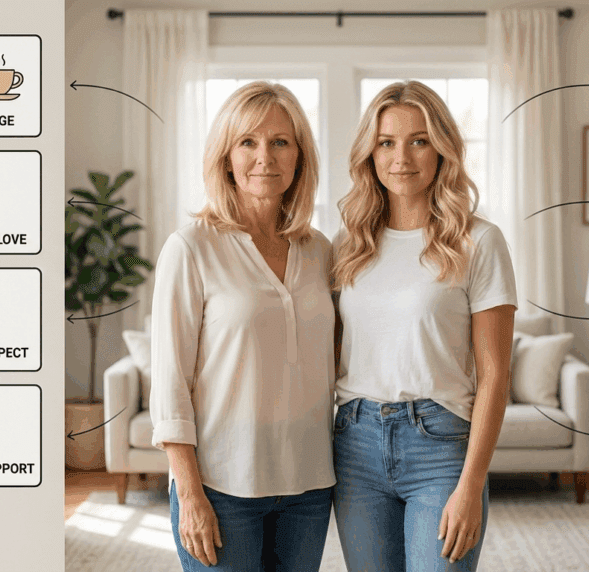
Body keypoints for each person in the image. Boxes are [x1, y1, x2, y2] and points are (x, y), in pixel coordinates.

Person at [331, 81, 517, 571]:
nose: (401, 158)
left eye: (419, 140)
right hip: (354, 444)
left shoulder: (479, 241)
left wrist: (471, 485)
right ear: (369, 153)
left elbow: (495, 375)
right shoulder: (348, 244)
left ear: (442, 149)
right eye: (386, 142)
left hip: (440, 446)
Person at [150, 81, 335, 571]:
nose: (264, 157)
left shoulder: (320, 251)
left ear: (299, 156)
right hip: (220, 485)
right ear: (226, 157)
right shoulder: (190, 248)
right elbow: (170, 382)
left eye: (280, 142)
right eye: (247, 142)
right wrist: (189, 494)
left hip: (309, 485)